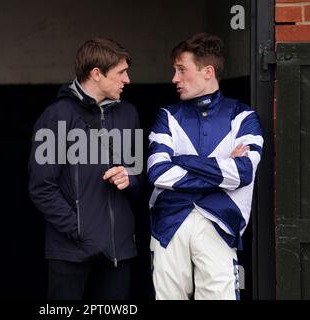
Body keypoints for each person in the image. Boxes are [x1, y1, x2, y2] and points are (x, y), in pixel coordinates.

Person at [147, 33, 263, 300]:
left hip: (220, 223)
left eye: (181, 70)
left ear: (207, 71)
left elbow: (243, 173)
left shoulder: (243, 117)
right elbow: (157, 172)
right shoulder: (167, 116)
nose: (174, 78)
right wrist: (222, 169)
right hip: (169, 224)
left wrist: (183, 160)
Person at [28, 37, 142, 300]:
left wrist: (130, 178)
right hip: (70, 250)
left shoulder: (129, 114)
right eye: (121, 73)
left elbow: (138, 175)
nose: (127, 80)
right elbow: (41, 187)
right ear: (96, 74)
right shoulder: (57, 115)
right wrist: (78, 230)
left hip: (119, 249)